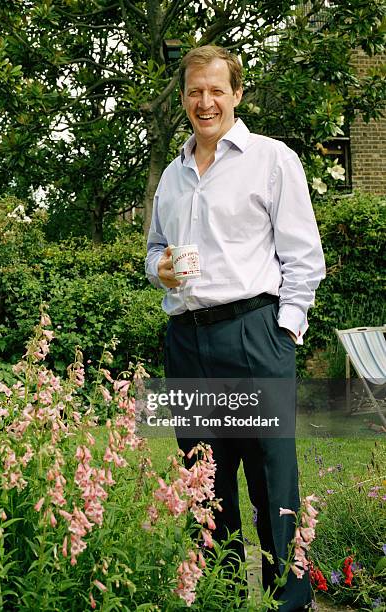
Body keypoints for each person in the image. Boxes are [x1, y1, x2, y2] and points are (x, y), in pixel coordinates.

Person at [145, 45, 325, 611]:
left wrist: (284, 333)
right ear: (183, 99)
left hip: (254, 335)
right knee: (205, 484)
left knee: (273, 484)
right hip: (186, 343)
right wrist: (160, 270)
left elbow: (304, 259)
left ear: (237, 94)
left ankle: (288, 604)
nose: (205, 102)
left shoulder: (272, 160)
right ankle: (221, 598)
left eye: (216, 90)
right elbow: (153, 251)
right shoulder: (172, 177)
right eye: (195, 91)